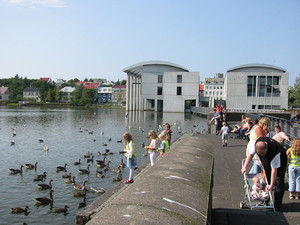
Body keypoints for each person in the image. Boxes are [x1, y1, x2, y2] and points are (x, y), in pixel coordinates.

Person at [242, 137, 287, 211]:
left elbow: (274, 170)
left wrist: (272, 184)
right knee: (266, 178)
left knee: (278, 182)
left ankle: (277, 205)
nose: (261, 155)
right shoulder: (256, 144)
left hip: (280, 160)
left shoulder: (275, 151)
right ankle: (266, 200)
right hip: (268, 160)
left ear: (266, 149)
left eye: (262, 153)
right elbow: (250, 155)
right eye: (259, 154)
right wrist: (245, 166)